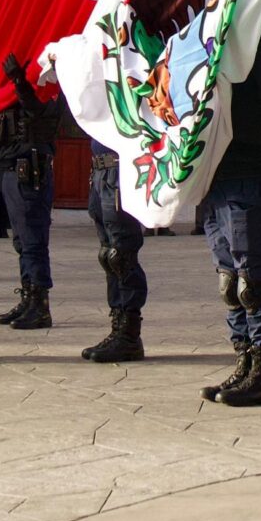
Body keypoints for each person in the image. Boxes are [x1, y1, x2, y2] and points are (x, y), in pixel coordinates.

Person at [196, 33, 261, 408]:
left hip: (254, 171)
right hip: (218, 174)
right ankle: (244, 363)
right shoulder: (216, 35)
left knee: (252, 283)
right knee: (229, 282)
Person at [0, 53, 57, 331]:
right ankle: (28, 298)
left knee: (33, 240)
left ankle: (40, 305)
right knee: (21, 241)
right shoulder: (7, 98)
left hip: (31, 172)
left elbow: (39, 112)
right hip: (11, 171)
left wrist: (20, 82)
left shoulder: (50, 87)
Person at [77, 142, 149, 363]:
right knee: (108, 254)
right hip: (101, 169)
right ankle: (118, 327)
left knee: (122, 255)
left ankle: (129, 334)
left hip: (120, 170)